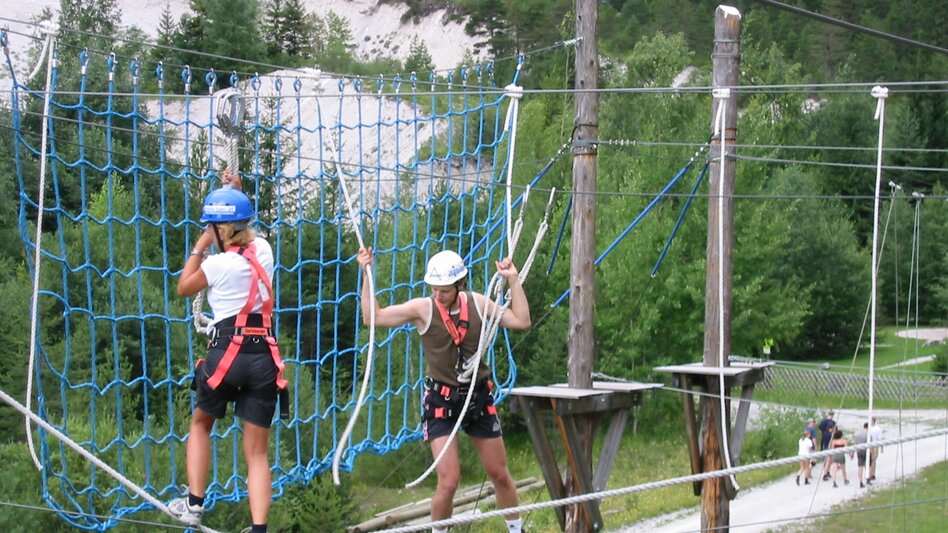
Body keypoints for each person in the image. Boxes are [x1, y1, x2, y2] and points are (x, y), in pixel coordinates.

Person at [356, 247, 531, 533]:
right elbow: (373, 317)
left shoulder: (477, 303)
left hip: (476, 396)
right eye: (434, 290)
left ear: (460, 285)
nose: (438, 296)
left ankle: (516, 530)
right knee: (449, 481)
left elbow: (521, 321)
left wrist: (513, 279)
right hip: (442, 400)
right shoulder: (423, 309)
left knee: (499, 473)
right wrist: (366, 273)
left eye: (445, 291)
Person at [171, 171, 286, 533]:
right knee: (256, 453)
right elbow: (244, 225)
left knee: (202, 424)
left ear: (219, 229)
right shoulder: (264, 250)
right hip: (265, 355)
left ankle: (194, 503)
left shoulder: (216, 264)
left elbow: (183, 288)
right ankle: (258, 528)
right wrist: (234, 194)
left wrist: (201, 244)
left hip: (227, 353)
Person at [818, 409, 836, 480]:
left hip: (825, 440)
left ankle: (827, 472)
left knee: (828, 459)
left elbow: (820, 430)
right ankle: (825, 473)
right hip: (828, 442)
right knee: (828, 459)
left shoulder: (824, 422)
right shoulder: (832, 423)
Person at [853, 423, 869, 488]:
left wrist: (852, 454)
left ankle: (860, 481)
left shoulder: (857, 435)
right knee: (867, 465)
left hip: (859, 451)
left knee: (860, 466)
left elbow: (855, 444)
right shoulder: (868, 435)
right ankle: (868, 478)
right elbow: (871, 446)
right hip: (866, 451)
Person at [869, 417, 884, 481]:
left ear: (874, 421)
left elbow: (880, 439)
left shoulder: (878, 429)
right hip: (870, 445)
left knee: (873, 460)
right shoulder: (869, 428)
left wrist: (881, 448)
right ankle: (870, 473)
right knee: (870, 460)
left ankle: (873, 474)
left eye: (871, 421)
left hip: (875, 445)